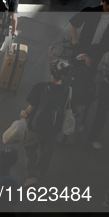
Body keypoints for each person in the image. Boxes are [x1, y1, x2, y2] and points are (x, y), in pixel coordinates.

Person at [21, 59, 71, 187]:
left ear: (51, 73)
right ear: (64, 75)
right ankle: (40, 175)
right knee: (46, 154)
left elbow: (32, 107)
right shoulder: (67, 90)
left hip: (35, 127)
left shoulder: (40, 87)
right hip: (53, 129)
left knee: (30, 149)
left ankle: (31, 176)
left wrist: (24, 114)